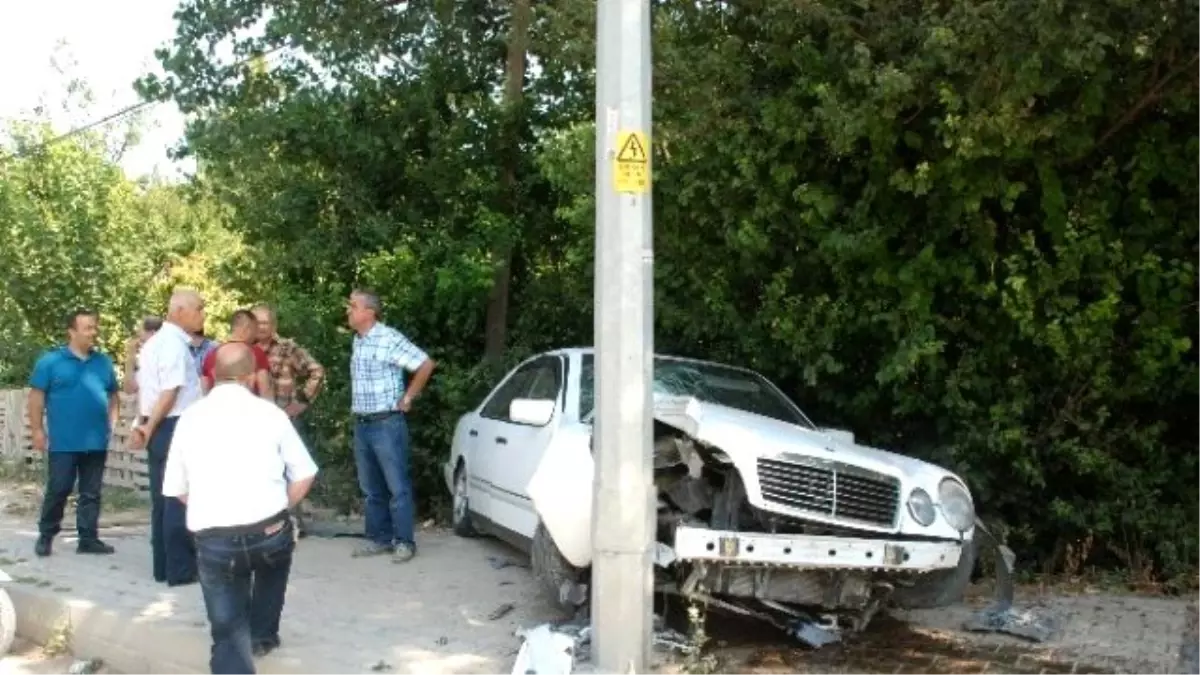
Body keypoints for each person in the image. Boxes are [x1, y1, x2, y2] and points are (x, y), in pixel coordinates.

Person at [163, 343, 317, 673]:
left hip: (214, 537)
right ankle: (263, 634)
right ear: (250, 377)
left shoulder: (190, 418)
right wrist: (281, 506)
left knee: (227, 633)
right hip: (270, 530)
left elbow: (176, 488)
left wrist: (209, 504)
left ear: (214, 375)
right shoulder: (271, 414)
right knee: (274, 562)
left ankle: (237, 647)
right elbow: (305, 473)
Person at [345, 289, 436, 562]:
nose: (348, 311)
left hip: (386, 423)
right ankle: (379, 539)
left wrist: (408, 397)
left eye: (353, 306)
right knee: (371, 487)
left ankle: (405, 542)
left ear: (369, 312)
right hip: (362, 423)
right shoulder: (358, 341)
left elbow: (425, 363)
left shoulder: (388, 338)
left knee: (397, 486)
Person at [27, 309, 119, 557]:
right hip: (64, 441)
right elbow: (36, 398)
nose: (93, 332)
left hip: (95, 440)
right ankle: (46, 535)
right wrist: (37, 430)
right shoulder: (50, 362)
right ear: (72, 331)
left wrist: (112, 422)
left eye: (94, 327)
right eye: (87, 327)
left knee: (91, 492)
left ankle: (88, 539)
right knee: (59, 488)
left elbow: (113, 394)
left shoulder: (102, 362)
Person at [129, 288, 205, 586]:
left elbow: (146, 391)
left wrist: (143, 424)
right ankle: (180, 570)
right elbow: (169, 391)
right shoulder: (173, 344)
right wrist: (148, 426)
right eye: (198, 308)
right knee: (178, 497)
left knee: (162, 498)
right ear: (180, 311)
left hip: (159, 426)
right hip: (174, 425)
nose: (202, 314)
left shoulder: (153, 343)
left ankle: (162, 566)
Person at [250, 303, 325, 537]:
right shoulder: (243, 349)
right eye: (256, 322)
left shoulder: (287, 348)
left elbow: (317, 371)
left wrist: (301, 402)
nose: (261, 327)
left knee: (290, 470)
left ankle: (291, 522)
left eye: (265, 322)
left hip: (283, 418)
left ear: (273, 325)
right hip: (251, 420)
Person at [200, 310, 273, 400]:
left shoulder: (212, 353)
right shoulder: (255, 353)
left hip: (216, 408)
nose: (255, 336)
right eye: (255, 330)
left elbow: (204, 387)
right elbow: (265, 388)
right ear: (247, 329)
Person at [122, 316, 163, 395]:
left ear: (152, 333)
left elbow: (129, 388)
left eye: (140, 333)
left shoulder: (151, 358)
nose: (138, 339)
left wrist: (131, 355)